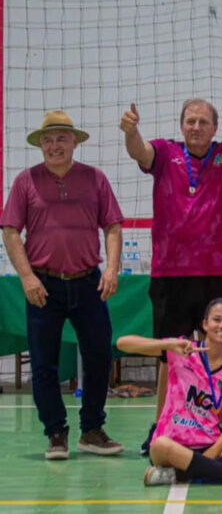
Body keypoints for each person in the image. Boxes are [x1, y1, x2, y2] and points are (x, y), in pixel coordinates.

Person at [120, 99, 222, 453]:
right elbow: (138, 151)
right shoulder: (163, 151)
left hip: (215, 271)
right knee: (167, 357)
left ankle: (209, 425)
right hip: (170, 272)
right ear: (182, 124)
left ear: (215, 128)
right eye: (190, 121)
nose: (196, 127)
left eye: (203, 122)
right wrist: (131, 131)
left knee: (214, 351)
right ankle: (160, 426)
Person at [1, 110, 124, 459]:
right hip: (43, 285)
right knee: (44, 363)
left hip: (88, 283)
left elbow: (112, 225)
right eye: (48, 140)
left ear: (74, 142)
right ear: (40, 145)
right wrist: (26, 276)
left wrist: (111, 269)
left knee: (100, 355)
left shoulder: (95, 178)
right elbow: (10, 230)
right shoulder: (26, 181)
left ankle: (92, 430)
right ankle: (55, 432)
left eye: (61, 138)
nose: (55, 146)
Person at [116, 298, 222, 487]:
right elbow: (123, 343)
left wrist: (208, 457)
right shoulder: (181, 351)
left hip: (210, 447)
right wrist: (168, 345)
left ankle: (177, 474)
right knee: (160, 445)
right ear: (205, 324)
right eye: (216, 319)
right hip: (172, 446)